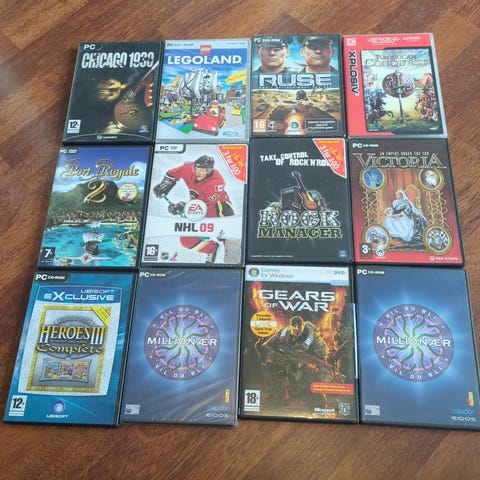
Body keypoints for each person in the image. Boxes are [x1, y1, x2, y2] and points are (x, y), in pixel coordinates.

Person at [152, 155, 234, 263]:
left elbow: (204, 205)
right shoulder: (189, 168)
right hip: (197, 210)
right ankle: (212, 249)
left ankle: (230, 243)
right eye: (197, 169)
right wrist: (166, 183)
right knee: (186, 240)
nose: (198, 172)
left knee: (229, 243)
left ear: (209, 170)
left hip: (220, 211)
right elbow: (173, 173)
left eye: (202, 170)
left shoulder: (216, 182)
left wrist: (183, 207)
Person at [259, 316, 330, 407]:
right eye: (294, 326)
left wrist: (314, 367)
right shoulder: (282, 334)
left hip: (304, 369)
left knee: (313, 389)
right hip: (284, 364)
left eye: (299, 326)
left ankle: (317, 404)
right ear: (290, 326)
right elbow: (265, 346)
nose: (297, 328)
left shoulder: (314, 339)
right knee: (269, 367)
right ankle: (277, 397)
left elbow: (322, 359)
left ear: (303, 326)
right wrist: (277, 356)